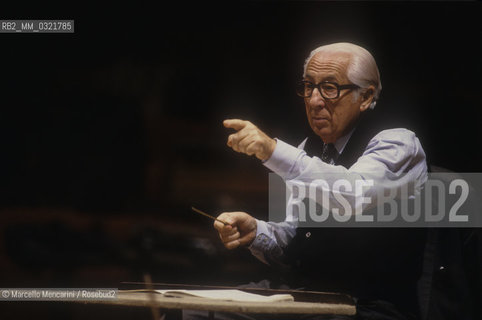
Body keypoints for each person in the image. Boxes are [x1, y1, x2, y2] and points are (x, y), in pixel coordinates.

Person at [186, 42, 428, 320]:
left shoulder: (398, 143)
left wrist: (272, 151)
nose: (314, 100)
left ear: (365, 96)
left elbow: (352, 195)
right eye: (309, 87)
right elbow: (292, 239)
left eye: (329, 88)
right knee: (191, 312)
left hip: (367, 305)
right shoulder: (306, 148)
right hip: (306, 297)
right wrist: (256, 232)